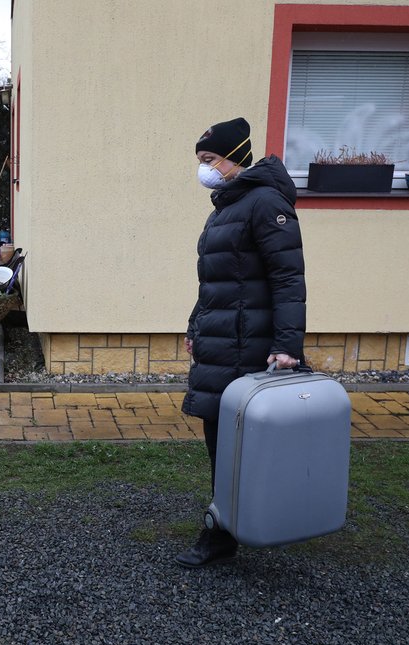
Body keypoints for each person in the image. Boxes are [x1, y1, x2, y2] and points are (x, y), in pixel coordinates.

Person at [176, 117, 306, 568]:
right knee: (221, 442)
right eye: (200, 162)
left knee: (238, 446)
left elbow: (288, 278)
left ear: (237, 157)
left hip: (249, 348)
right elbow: (216, 281)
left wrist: (287, 345)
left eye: (210, 160)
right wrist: (196, 327)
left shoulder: (265, 202)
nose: (204, 170)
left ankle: (225, 532)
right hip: (221, 341)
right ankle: (228, 527)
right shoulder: (227, 204)